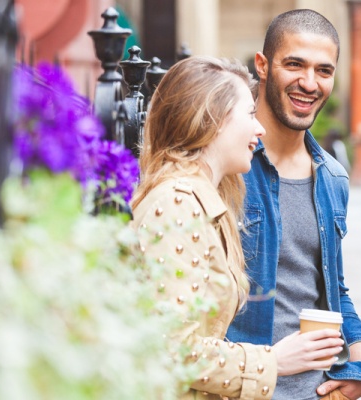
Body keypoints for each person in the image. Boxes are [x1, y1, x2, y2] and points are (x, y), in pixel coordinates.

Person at [131, 56, 345, 400]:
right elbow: (170, 349)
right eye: (249, 114)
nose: (259, 129)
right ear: (212, 120)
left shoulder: (206, 200)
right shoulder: (176, 203)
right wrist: (273, 360)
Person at [225, 9, 361, 400]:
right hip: (237, 388)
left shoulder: (332, 177)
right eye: (294, 64)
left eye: (323, 70)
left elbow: (332, 286)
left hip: (317, 391)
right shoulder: (225, 165)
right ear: (262, 66)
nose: (309, 83)